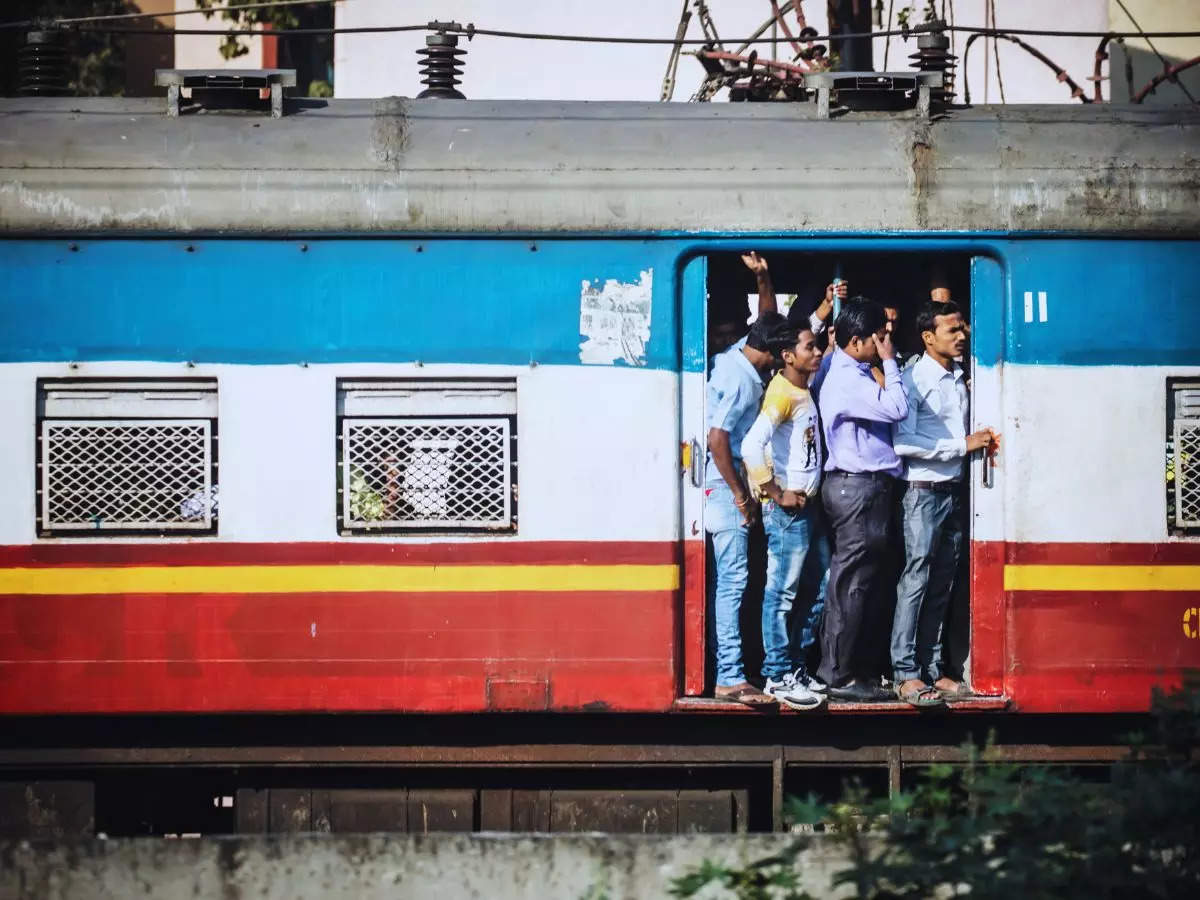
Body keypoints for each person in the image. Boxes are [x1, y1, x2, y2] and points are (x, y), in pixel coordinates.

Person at [891, 300, 999, 706]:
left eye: (961, 329)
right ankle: (905, 673)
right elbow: (902, 443)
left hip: (952, 492)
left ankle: (931, 671)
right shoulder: (913, 379)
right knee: (916, 581)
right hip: (922, 492)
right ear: (927, 336)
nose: (961, 336)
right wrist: (961, 446)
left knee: (941, 584)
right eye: (952, 330)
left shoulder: (957, 377)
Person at [816, 298, 909, 702]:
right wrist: (889, 363)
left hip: (858, 486)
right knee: (851, 585)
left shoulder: (843, 368)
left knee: (856, 582)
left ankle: (847, 669)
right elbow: (898, 407)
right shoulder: (850, 380)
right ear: (856, 341)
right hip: (859, 488)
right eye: (878, 338)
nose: (884, 343)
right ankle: (838, 675)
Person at [741, 326, 829, 710]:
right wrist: (775, 492)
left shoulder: (800, 389)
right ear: (789, 356)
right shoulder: (781, 394)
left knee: (817, 586)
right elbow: (750, 445)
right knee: (783, 593)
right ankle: (777, 675)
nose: (817, 351)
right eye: (810, 347)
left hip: (805, 507)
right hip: (788, 512)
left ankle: (793, 666)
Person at [704, 310, 789, 707]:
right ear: (772, 352)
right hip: (723, 487)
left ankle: (732, 671)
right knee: (733, 582)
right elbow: (717, 439)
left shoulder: (737, 357)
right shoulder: (740, 381)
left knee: (733, 580)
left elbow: (766, 321)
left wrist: (763, 278)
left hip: (727, 484)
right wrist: (740, 495)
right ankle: (730, 676)